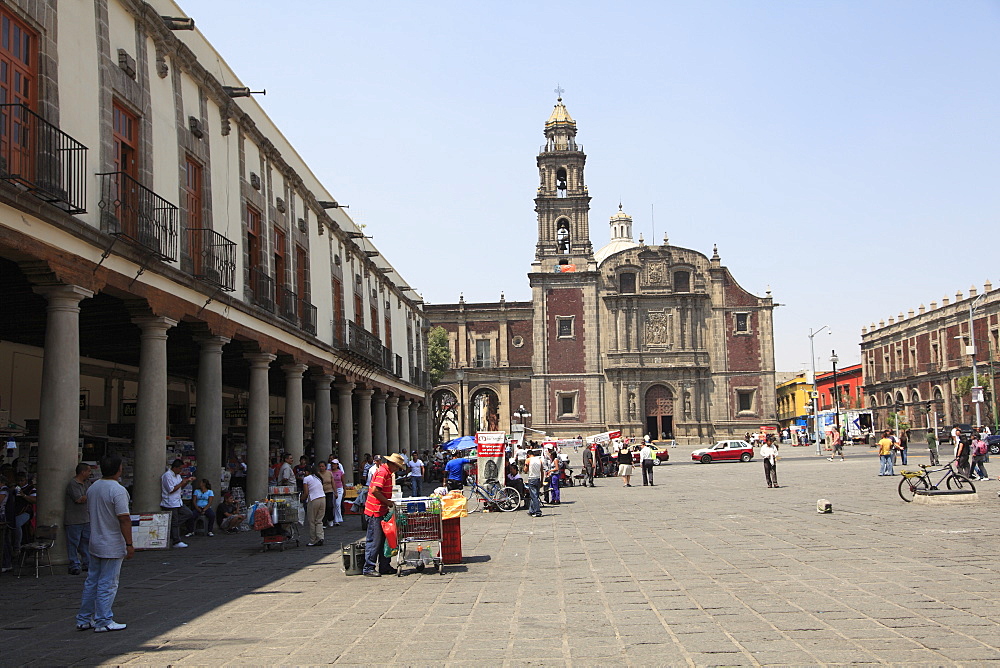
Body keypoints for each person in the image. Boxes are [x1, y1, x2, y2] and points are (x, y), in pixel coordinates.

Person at [75, 454, 133, 633]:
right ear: (119, 469)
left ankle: (84, 618)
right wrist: (129, 543)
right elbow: (124, 518)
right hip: (111, 542)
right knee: (108, 583)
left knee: (92, 580)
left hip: (96, 539)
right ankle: (103, 619)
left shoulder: (93, 488)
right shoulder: (117, 490)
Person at [362, 453, 405, 577]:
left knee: (383, 540)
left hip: (381, 510)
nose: (397, 469)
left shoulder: (386, 472)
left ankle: (384, 566)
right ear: (391, 464)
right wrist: (388, 502)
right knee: (375, 540)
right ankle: (368, 567)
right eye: (396, 466)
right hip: (375, 510)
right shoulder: (383, 472)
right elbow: (375, 490)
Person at [160, 459, 196, 548]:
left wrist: (186, 482)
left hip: (178, 501)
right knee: (175, 521)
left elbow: (180, 487)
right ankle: (176, 540)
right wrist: (182, 483)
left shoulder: (178, 476)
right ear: (175, 468)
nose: (180, 471)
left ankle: (172, 529)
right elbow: (171, 490)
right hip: (170, 502)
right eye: (180, 468)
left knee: (188, 513)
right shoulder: (167, 476)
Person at [65, 463, 92, 575]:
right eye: (89, 471)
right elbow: (78, 499)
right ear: (83, 472)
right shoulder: (73, 484)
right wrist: (90, 495)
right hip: (74, 519)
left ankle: (87, 562)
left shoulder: (87, 483)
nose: (90, 474)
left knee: (85, 542)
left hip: (85, 518)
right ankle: (74, 564)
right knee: (73, 543)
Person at [300, 464, 326, 547]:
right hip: (322, 498)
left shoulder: (306, 479)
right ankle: (320, 537)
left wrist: (301, 499)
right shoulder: (317, 478)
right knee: (319, 520)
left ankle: (313, 539)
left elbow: (306, 493)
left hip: (314, 499)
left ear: (307, 472)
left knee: (311, 520)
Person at [523, 450, 544, 517]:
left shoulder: (528, 460)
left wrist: (525, 467)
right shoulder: (539, 460)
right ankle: (531, 510)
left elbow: (525, 470)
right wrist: (542, 481)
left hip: (531, 479)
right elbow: (542, 471)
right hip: (538, 478)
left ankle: (538, 511)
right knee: (535, 495)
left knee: (534, 496)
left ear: (528, 455)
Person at [330, 460, 344, 526]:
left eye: (335, 464)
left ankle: (338, 519)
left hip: (339, 489)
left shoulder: (340, 472)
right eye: (332, 464)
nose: (333, 465)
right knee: (333, 504)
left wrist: (345, 490)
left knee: (337, 503)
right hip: (331, 489)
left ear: (337, 465)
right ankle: (333, 519)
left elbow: (343, 481)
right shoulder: (329, 472)